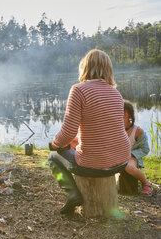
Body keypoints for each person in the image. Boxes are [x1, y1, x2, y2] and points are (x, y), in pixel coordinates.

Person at [48, 49, 131, 214]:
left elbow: (67, 132)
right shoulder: (116, 93)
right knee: (72, 148)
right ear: (108, 69)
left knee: (53, 157)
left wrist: (55, 144)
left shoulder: (78, 90)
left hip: (95, 163)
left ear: (84, 67)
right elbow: (105, 128)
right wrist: (76, 140)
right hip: (121, 160)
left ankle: (72, 194)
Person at [123, 100, 152, 195]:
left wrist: (131, 154)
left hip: (132, 156)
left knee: (129, 167)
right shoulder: (115, 128)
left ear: (125, 114)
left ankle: (146, 183)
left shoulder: (137, 131)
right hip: (117, 155)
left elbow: (145, 149)